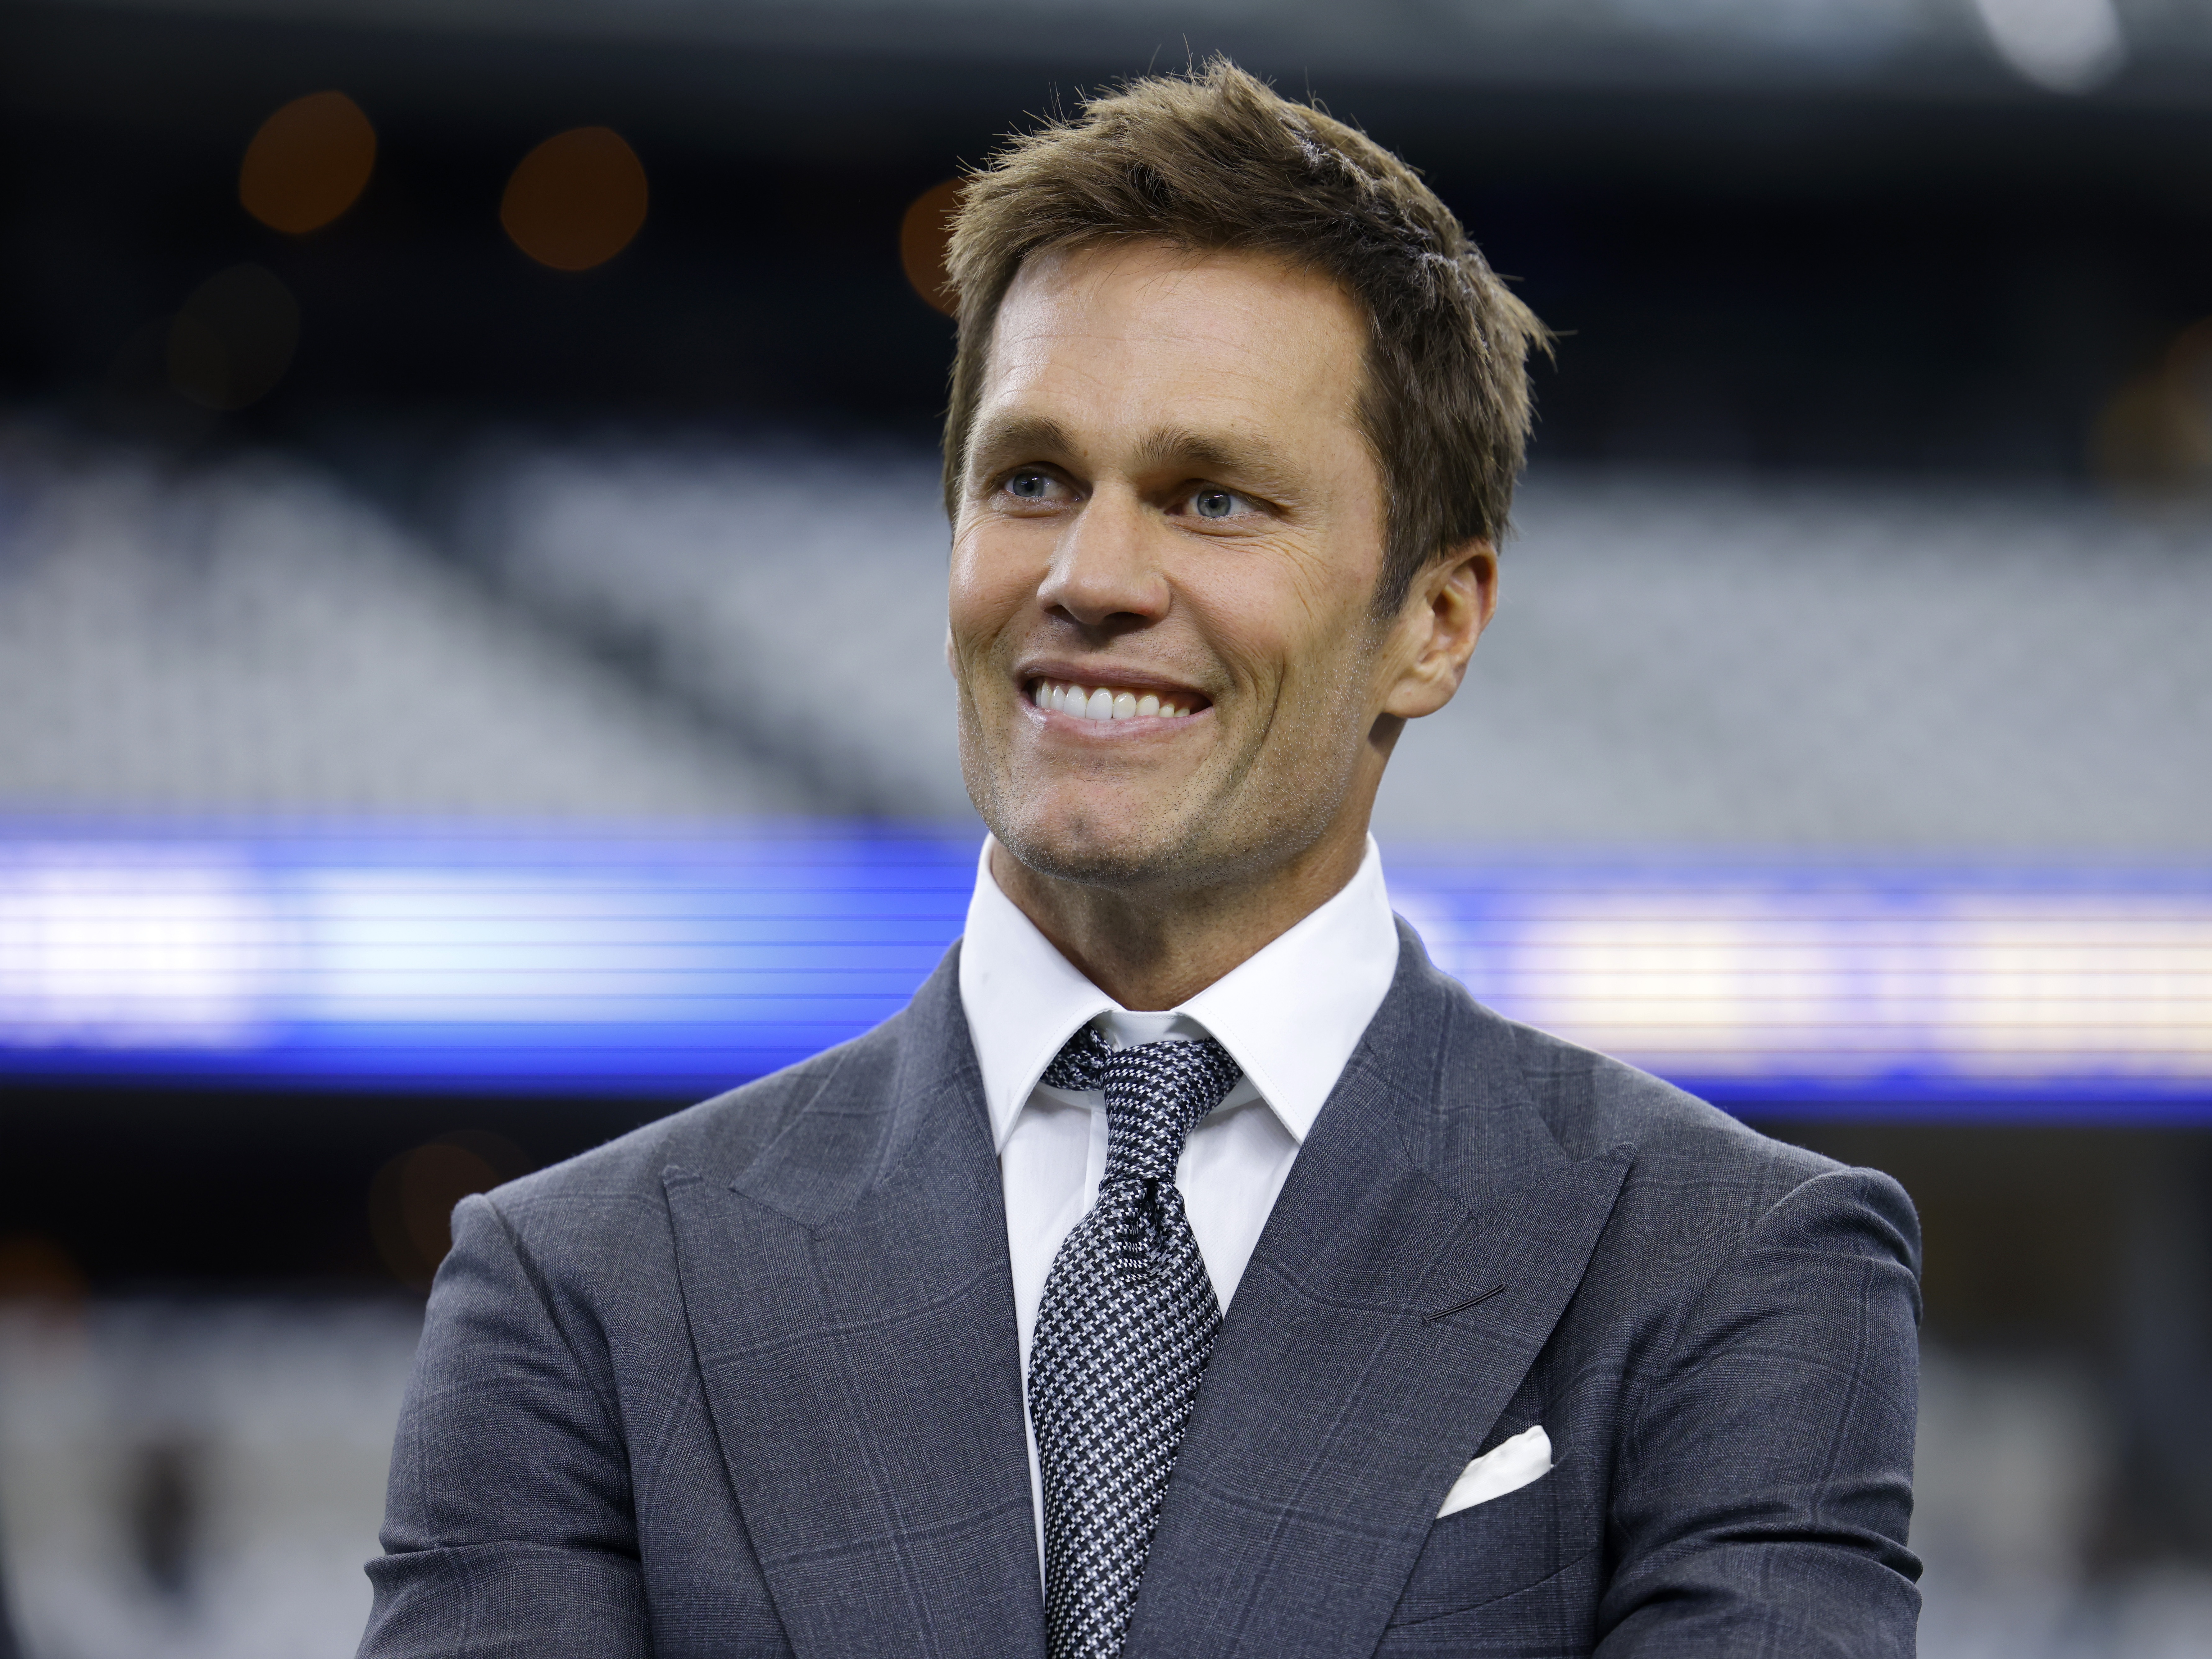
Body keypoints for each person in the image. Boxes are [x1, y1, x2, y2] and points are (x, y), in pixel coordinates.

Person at [359, 60, 1920, 1658]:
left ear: (1434, 623)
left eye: (1211, 500)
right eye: (1031, 480)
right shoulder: (576, 1289)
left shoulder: (1734, 1269)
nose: (1092, 576)